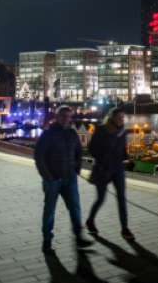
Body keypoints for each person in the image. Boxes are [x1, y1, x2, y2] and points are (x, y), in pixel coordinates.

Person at [35, 105, 94, 253]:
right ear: (57, 117)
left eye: (68, 116)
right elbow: (39, 157)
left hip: (70, 178)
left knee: (75, 208)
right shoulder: (48, 134)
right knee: (50, 210)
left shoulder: (72, 133)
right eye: (63, 116)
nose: (66, 119)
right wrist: (48, 177)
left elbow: (79, 152)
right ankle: (47, 241)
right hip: (53, 179)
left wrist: (77, 169)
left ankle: (79, 237)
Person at [86, 107, 135, 241]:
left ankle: (125, 229)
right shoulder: (101, 129)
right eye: (119, 117)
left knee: (121, 199)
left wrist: (127, 159)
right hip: (103, 169)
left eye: (123, 117)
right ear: (112, 118)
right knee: (101, 199)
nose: (122, 119)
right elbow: (91, 148)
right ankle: (90, 220)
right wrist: (103, 159)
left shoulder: (122, 131)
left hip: (118, 168)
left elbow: (123, 149)